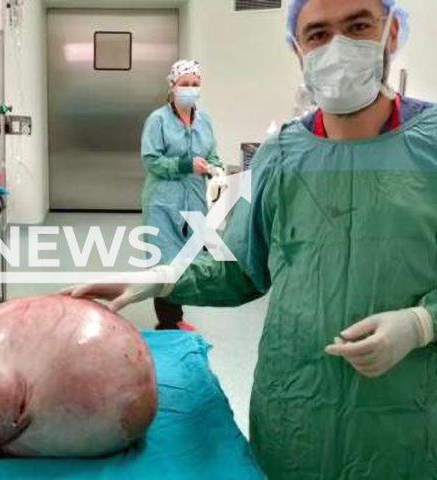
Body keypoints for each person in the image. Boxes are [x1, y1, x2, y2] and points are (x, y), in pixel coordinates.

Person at [67, 0, 437, 478]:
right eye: (318, 34)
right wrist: (159, 279)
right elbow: (242, 266)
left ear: (390, 34)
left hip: (408, 418)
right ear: (297, 49)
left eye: (358, 25)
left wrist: (421, 323)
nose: (338, 46)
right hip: (297, 409)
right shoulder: (282, 154)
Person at [141, 59, 222, 331]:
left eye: (195, 85)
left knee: (187, 258)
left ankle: (176, 316)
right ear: (172, 86)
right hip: (163, 200)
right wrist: (185, 165)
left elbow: (211, 153)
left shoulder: (205, 119)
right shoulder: (158, 120)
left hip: (194, 199)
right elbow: (151, 160)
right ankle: (168, 322)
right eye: (184, 84)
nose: (190, 89)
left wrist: (216, 169)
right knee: (165, 260)